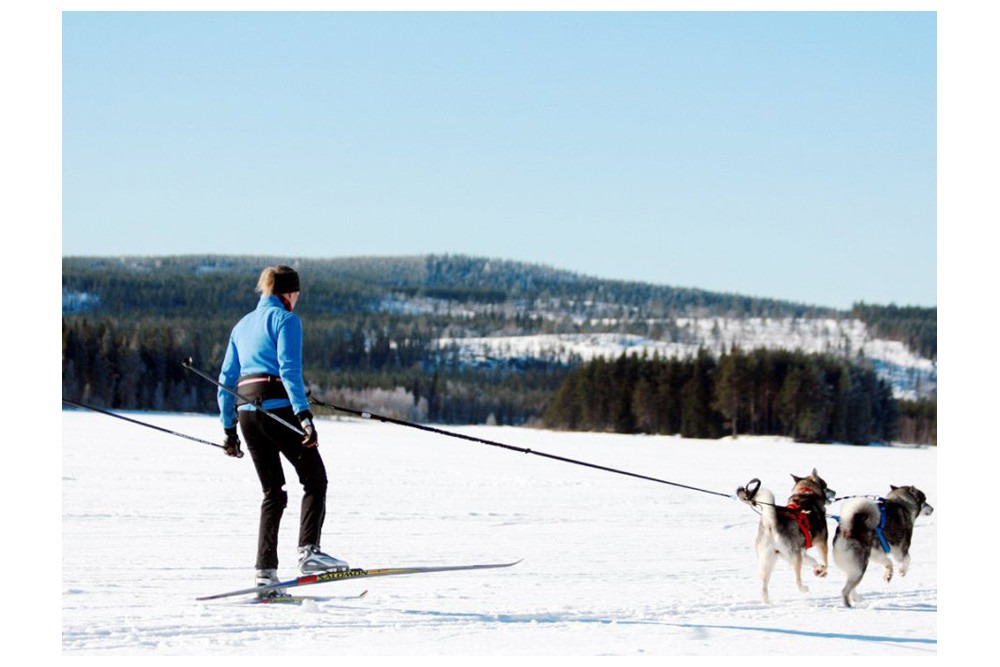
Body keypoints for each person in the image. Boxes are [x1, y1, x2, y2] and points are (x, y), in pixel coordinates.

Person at [217, 265, 348, 598]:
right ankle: (309, 552)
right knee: (315, 479)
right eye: (297, 295)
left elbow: (225, 382)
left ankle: (265, 577)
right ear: (288, 294)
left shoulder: (241, 325)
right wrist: (304, 416)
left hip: (246, 413)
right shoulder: (287, 321)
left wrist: (229, 430)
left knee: (273, 493)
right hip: (277, 409)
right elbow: (289, 370)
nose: (297, 301)